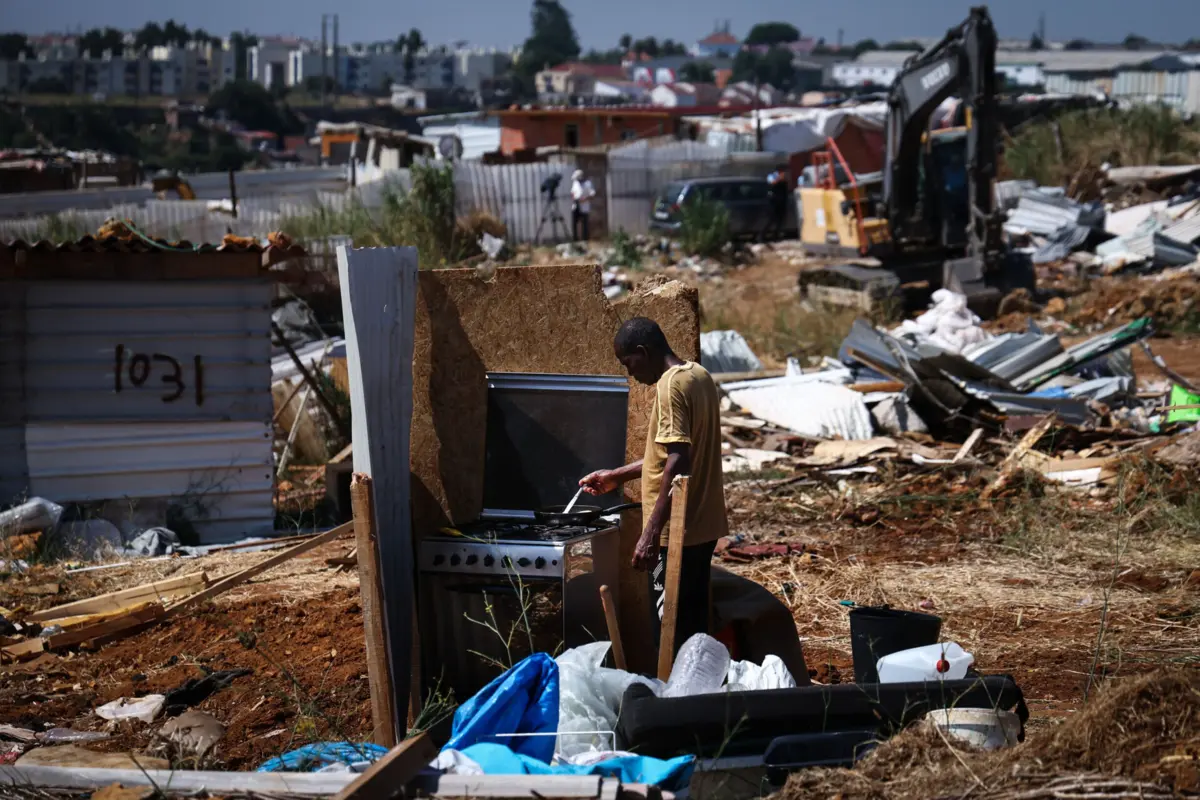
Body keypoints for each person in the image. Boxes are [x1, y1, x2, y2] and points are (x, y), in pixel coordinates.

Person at [579, 317, 728, 655]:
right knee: (691, 626)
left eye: (627, 362)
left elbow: (678, 461)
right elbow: (671, 453)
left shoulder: (669, 387)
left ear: (642, 352)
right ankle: (694, 697)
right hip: (702, 528)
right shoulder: (698, 376)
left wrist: (650, 534)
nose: (630, 373)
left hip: (676, 535)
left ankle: (673, 700)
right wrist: (618, 475)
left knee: (670, 632)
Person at [760, 164, 790, 243]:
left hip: (782, 201)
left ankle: (776, 237)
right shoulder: (772, 176)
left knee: (780, 220)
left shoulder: (785, 179)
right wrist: (780, 179)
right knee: (771, 220)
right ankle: (761, 236)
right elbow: (772, 183)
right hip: (773, 202)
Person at [570, 169, 596, 242]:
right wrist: (574, 197)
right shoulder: (575, 183)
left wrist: (585, 199)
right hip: (576, 205)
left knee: (584, 224)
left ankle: (585, 240)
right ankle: (575, 240)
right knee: (574, 223)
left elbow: (592, 194)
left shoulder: (588, 183)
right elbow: (572, 192)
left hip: (584, 206)